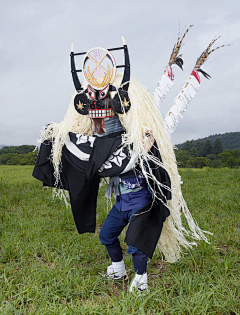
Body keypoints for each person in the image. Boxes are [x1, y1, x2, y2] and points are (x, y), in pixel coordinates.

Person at [33, 30, 226, 292]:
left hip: (140, 200)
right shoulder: (106, 147)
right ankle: (118, 268)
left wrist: (146, 143)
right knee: (106, 235)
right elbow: (94, 150)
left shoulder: (136, 142)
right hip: (123, 201)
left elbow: (132, 149)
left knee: (135, 242)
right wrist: (58, 137)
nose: (99, 123)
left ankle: (142, 279)